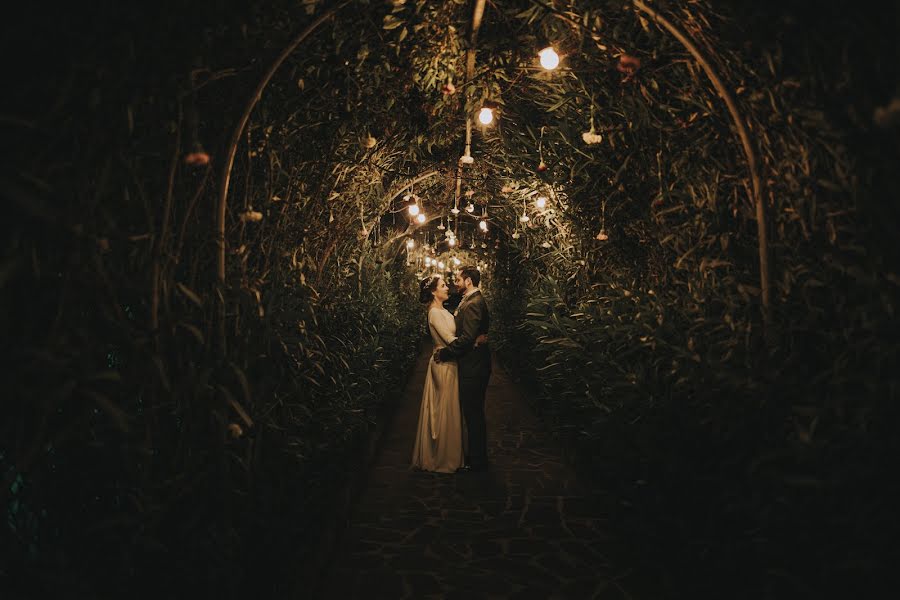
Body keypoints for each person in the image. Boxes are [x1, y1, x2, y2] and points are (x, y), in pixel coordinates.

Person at [434, 266, 491, 472]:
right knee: (472, 413)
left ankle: (477, 462)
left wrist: (446, 353)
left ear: (468, 281)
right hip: (471, 364)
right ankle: (475, 457)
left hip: (474, 367)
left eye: (458, 279)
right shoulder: (469, 300)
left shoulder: (474, 302)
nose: (455, 282)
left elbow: (467, 338)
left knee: (474, 415)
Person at [411, 275, 466, 473]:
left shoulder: (443, 310)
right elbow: (451, 340)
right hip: (442, 363)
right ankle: (441, 457)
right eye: (443, 286)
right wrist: (474, 342)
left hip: (449, 362)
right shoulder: (434, 313)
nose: (447, 288)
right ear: (434, 291)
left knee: (448, 406)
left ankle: (449, 453)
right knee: (443, 408)